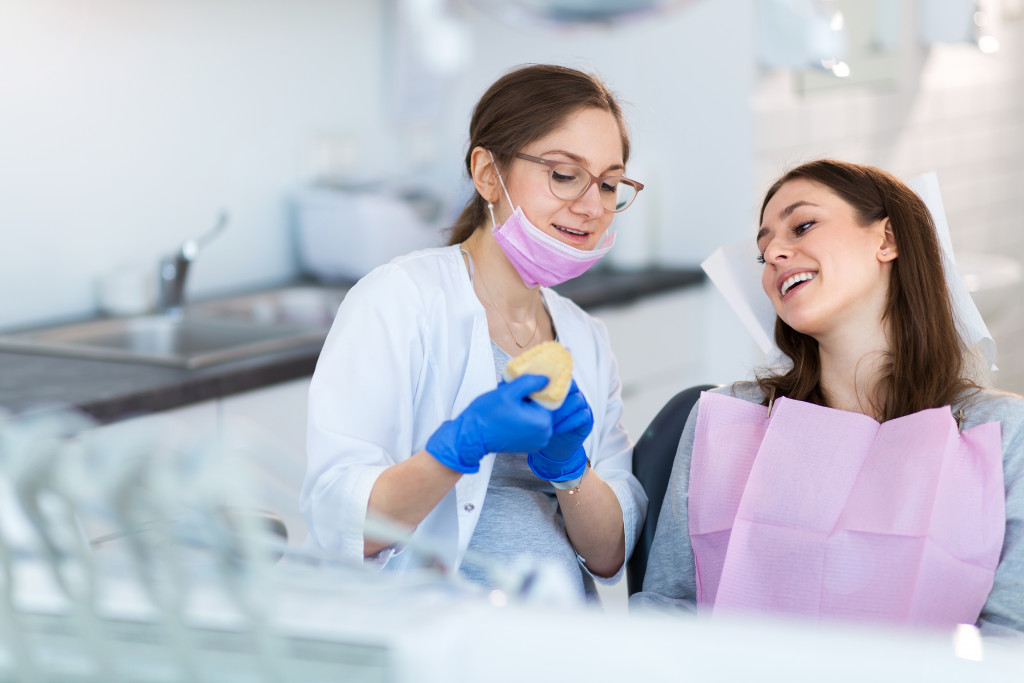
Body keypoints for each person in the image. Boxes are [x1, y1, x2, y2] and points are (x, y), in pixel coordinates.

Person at [631, 159, 1024, 636]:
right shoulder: (727, 419)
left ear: (887, 239)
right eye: (763, 251)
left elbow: (1010, 635)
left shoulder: (1001, 432)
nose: (775, 251)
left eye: (802, 225)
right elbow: (667, 606)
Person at [301, 64, 648, 601]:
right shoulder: (399, 299)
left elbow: (608, 557)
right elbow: (341, 523)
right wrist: (459, 448)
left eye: (608, 183)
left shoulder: (585, 337)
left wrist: (571, 469)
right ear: (488, 172)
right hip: (433, 636)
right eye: (564, 174)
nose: (592, 206)